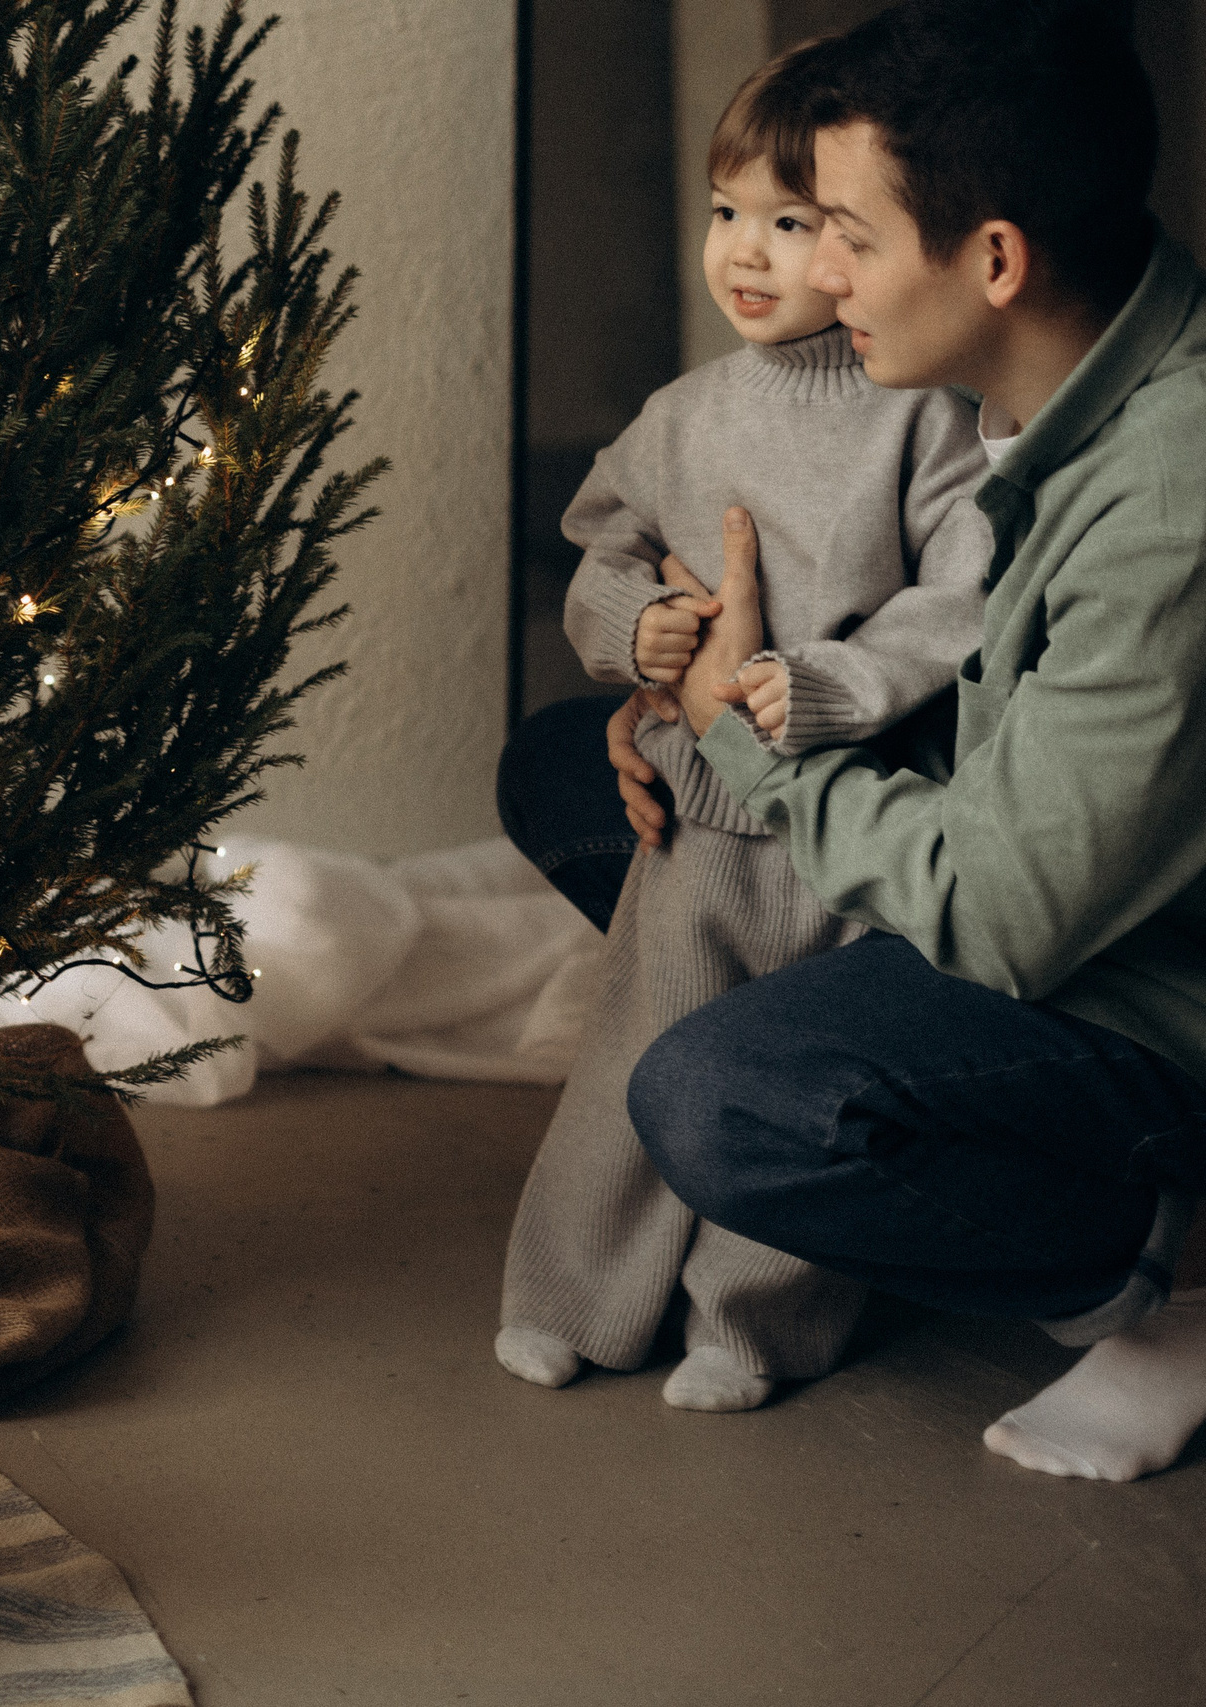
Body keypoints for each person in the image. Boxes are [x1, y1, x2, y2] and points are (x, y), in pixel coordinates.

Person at [613, 0, 1206, 1482]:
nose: (814, 272)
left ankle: (1168, 1269)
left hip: (1148, 986)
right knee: (589, 784)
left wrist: (750, 745)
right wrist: (677, 700)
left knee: (720, 1096)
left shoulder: (1171, 501)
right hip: (1067, 876)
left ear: (993, 260)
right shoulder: (1046, 385)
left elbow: (1005, 917)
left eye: (851, 238)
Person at [495, 44, 992, 1413]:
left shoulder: (924, 418)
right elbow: (605, 546)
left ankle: (754, 1323)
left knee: (777, 1073)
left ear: (857, 244)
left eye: (793, 223)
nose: (748, 254)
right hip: (700, 812)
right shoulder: (685, 414)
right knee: (634, 1054)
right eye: (727, 214)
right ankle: (569, 1296)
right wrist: (638, 627)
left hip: (849, 822)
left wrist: (827, 684)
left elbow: (966, 597)